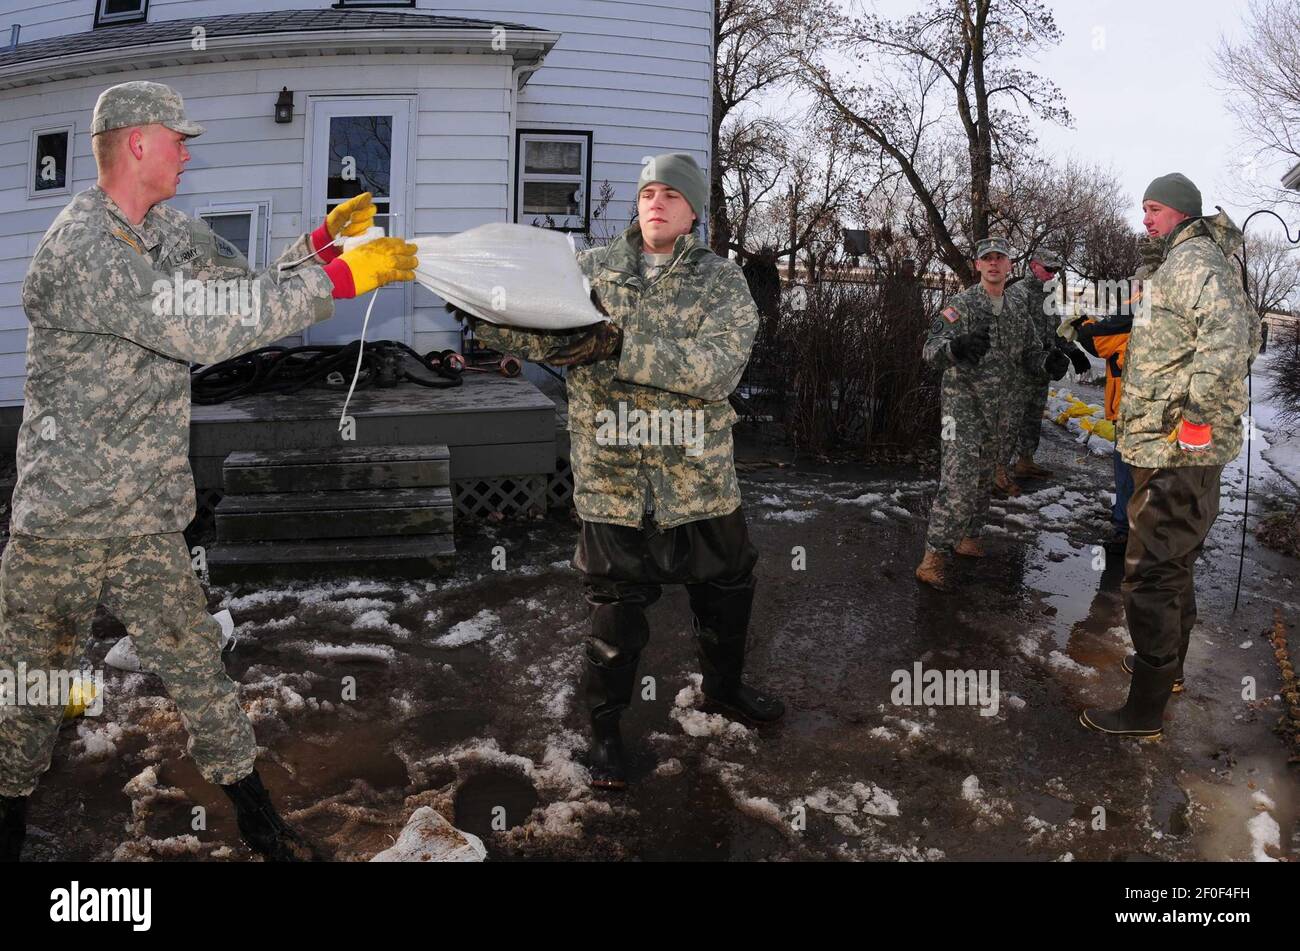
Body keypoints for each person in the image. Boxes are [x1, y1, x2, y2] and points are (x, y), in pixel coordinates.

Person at [0, 81, 417, 861]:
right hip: (60, 522)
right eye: (177, 138)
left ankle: (262, 824)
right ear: (135, 144)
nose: (188, 152)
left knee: (201, 676)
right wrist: (335, 282)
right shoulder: (81, 248)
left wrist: (318, 249)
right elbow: (202, 326)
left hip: (144, 519)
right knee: (28, 696)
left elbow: (239, 287)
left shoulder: (166, 231)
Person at [467, 154, 783, 789]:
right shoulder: (589, 272)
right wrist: (485, 315)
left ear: (694, 211)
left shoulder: (721, 283)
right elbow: (538, 332)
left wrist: (618, 344)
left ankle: (724, 690)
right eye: (647, 193)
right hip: (613, 480)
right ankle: (606, 734)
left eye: (671, 194)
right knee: (615, 615)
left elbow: (717, 370)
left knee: (726, 592)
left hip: (698, 478)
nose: (656, 203)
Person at [1081, 173, 1260, 737]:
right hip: (1160, 442)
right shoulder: (1176, 265)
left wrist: (1198, 420)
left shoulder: (1197, 262)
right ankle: (1167, 671)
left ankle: (1143, 712)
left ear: (1181, 211)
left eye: (1153, 208)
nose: (1146, 218)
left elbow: (1231, 342)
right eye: (1143, 208)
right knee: (1171, 563)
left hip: (1177, 447)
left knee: (1151, 574)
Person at [916, 238, 1070, 589]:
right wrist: (956, 348)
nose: (994, 264)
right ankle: (933, 558)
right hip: (962, 409)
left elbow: (1031, 353)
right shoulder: (963, 305)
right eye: (987, 259)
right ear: (978, 266)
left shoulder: (1017, 310)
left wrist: (1050, 362)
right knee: (958, 482)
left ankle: (968, 537)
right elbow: (930, 351)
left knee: (986, 477)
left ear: (1011, 265)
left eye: (1000, 258)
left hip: (999, 410)